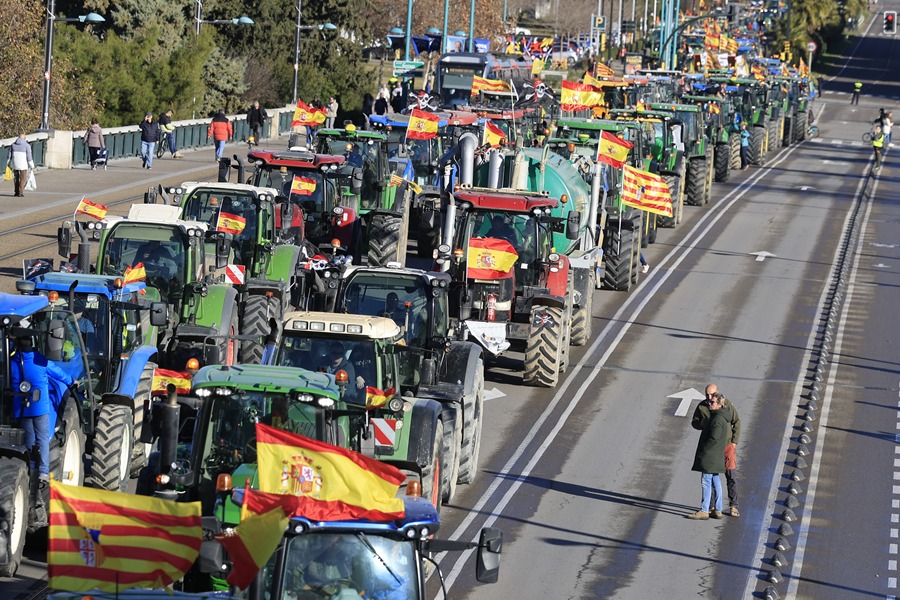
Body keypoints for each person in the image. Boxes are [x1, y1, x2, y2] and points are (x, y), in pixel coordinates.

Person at [9, 335, 74, 485]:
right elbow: (59, 373)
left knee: (29, 440)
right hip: (40, 408)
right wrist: (72, 381)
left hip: (22, 410)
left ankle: (30, 466)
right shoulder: (41, 361)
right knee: (43, 439)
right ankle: (44, 472)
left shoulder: (13, 362)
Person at [691, 384, 741, 517]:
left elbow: (736, 421)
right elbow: (695, 422)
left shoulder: (726, 404)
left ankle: (733, 505)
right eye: (707, 395)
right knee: (713, 476)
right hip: (715, 448)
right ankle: (713, 506)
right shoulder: (703, 406)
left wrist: (734, 442)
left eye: (712, 395)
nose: (709, 397)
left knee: (730, 475)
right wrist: (703, 424)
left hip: (727, 445)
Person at [687, 391, 731, 520]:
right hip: (716, 455)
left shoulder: (717, 419)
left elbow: (714, 438)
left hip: (710, 455)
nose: (710, 403)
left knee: (706, 481)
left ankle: (704, 510)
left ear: (720, 405)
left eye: (712, 402)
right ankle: (718, 509)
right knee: (715, 480)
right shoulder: (721, 417)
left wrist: (705, 449)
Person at [6, 133, 34, 197]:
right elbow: (29, 157)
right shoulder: (27, 146)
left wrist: (8, 163)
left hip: (15, 164)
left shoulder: (13, 145)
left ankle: (16, 192)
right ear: (24, 138)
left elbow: (9, 155)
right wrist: (32, 165)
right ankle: (20, 191)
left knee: (16, 177)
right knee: (23, 178)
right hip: (23, 165)